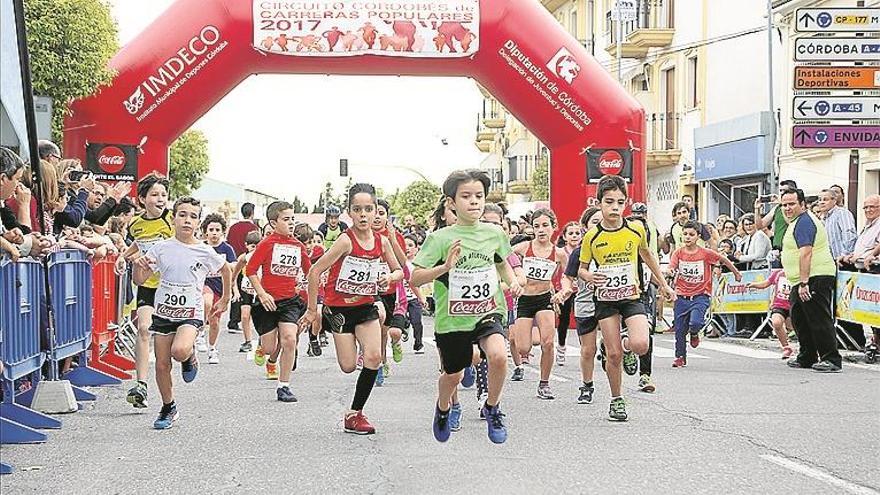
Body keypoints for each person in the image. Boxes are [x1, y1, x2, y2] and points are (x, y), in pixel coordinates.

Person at [411, 170, 522, 444]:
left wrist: (512, 281)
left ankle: (493, 407)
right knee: (454, 374)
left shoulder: (494, 233)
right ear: (451, 202)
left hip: (488, 309)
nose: (474, 202)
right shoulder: (440, 239)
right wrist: (446, 267)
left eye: (479, 196)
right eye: (466, 196)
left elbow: (501, 262)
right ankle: (443, 407)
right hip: (453, 319)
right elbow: (415, 277)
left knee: (498, 355)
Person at [301, 183, 402, 434]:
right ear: (350, 212)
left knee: (374, 357)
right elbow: (315, 271)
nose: (364, 214)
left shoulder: (382, 242)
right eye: (358, 209)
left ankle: (354, 413)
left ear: (377, 211)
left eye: (369, 209)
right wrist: (313, 310)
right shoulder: (345, 241)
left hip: (366, 306)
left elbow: (400, 270)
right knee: (347, 366)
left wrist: (389, 278)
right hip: (339, 310)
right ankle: (341, 336)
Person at [578, 175, 675, 421]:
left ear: (627, 203)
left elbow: (647, 255)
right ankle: (616, 399)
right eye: (609, 202)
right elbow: (581, 268)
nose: (614, 208)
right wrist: (590, 277)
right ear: (598, 202)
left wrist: (663, 284)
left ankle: (626, 345)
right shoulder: (592, 236)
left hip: (632, 295)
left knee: (641, 344)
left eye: (620, 202)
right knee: (612, 356)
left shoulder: (636, 228)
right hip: (606, 299)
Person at [131, 196, 231, 429]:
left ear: (198, 223)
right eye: (182, 215)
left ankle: (190, 355)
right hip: (164, 311)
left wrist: (225, 297)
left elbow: (225, 269)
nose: (187, 220)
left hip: (190, 312)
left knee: (179, 350)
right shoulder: (161, 248)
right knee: (162, 365)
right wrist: (138, 267)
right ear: (173, 218)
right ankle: (168, 407)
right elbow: (141, 280)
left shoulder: (204, 251)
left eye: (193, 217)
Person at [116, 173, 173, 409]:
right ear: (142, 199)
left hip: (172, 286)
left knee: (170, 340)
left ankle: (188, 355)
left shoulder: (172, 221)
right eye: (155, 195)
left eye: (163, 195)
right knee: (143, 328)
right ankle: (140, 384)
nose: (160, 199)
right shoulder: (137, 224)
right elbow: (138, 243)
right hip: (149, 286)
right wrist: (123, 256)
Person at [245, 201, 311, 402]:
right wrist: (262, 294)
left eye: (293, 219)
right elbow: (250, 270)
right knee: (269, 347)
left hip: (290, 301)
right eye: (286, 219)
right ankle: (264, 351)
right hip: (267, 303)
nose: (291, 223)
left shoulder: (298, 246)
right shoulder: (267, 244)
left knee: (290, 339)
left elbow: (310, 272)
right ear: (274, 223)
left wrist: (310, 289)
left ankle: (284, 386)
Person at [780, 188, 841, 373]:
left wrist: (804, 282)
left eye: (792, 204)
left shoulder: (805, 222)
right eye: (784, 205)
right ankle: (807, 355)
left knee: (818, 318)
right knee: (800, 318)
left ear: (802, 204)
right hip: (801, 278)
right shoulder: (796, 221)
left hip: (815, 276)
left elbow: (806, 252)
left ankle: (831, 358)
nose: (787, 208)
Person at [511, 208, 568, 400]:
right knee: (523, 348)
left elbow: (568, 278)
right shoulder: (522, 248)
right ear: (532, 229)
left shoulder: (559, 253)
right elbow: (504, 260)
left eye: (545, 225)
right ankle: (522, 352)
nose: (541, 230)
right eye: (537, 226)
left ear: (554, 227)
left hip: (545, 299)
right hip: (525, 300)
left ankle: (544, 383)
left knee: (548, 343)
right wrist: (513, 280)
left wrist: (563, 290)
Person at [669, 221, 742, 368]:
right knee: (680, 330)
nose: (688, 237)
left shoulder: (705, 253)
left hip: (700, 295)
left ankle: (695, 333)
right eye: (685, 234)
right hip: (681, 296)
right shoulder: (679, 252)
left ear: (698, 237)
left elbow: (723, 259)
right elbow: (672, 265)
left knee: (695, 322)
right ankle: (680, 357)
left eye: (691, 235)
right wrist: (670, 270)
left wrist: (736, 273)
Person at [560, 206, 601, 403]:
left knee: (613, 349)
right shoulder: (579, 252)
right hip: (586, 302)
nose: (599, 225)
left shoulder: (616, 246)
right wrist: (566, 289)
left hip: (611, 302)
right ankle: (587, 385)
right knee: (588, 349)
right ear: (585, 227)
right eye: (594, 222)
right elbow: (567, 277)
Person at [837, 194, 880, 351]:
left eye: (872, 207)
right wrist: (851, 256)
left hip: (875, 269)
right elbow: (863, 247)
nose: (868, 210)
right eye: (866, 207)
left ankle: (877, 342)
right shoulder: (869, 225)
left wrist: (872, 255)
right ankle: (875, 342)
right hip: (862, 269)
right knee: (868, 309)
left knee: (875, 309)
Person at [372, 199, 408, 385]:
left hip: (393, 291)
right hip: (372, 291)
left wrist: (393, 239)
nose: (377, 217)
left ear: (387, 217)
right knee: (378, 328)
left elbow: (403, 264)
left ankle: (394, 345)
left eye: (381, 213)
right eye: (374, 212)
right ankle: (379, 363)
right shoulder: (364, 236)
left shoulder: (395, 236)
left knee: (390, 332)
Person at [627, 202, 661, 392]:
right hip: (624, 293)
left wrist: (663, 285)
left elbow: (652, 260)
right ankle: (624, 348)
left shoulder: (651, 231)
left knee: (647, 331)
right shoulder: (623, 238)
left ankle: (645, 375)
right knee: (621, 334)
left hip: (644, 290)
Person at [199, 213, 237, 364]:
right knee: (206, 303)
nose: (214, 233)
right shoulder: (201, 247)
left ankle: (212, 348)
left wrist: (225, 266)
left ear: (222, 232)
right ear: (205, 232)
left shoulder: (226, 249)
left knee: (214, 322)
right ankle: (200, 331)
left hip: (219, 288)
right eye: (211, 229)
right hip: (203, 284)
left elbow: (234, 265)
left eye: (217, 230)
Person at [226, 202, 260, 333]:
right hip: (249, 263)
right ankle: (247, 318)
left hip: (235, 262)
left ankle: (233, 321)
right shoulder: (254, 228)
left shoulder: (234, 227)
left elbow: (228, 242)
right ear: (252, 213)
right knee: (248, 292)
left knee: (237, 291)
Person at [747, 269, 795, 359]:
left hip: (794, 305)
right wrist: (754, 285)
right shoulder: (778, 273)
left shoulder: (798, 272)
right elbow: (766, 283)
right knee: (776, 323)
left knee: (795, 327)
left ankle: (811, 348)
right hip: (779, 305)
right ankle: (786, 347)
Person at [554, 221, 582, 367]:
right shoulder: (560, 252)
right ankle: (561, 348)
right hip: (565, 291)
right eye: (570, 233)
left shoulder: (585, 250)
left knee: (582, 320)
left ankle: (585, 349)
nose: (574, 236)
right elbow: (553, 270)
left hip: (581, 291)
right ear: (565, 237)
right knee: (564, 320)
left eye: (577, 233)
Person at [755, 180, 799, 267]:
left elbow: (792, 223)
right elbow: (760, 226)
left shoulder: (796, 207)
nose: (782, 193)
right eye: (780, 191)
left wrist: (783, 205)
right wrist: (757, 210)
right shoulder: (777, 208)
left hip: (791, 249)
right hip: (777, 250)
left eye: (785, 191)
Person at [230, 231, 261, 353]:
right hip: (246, 290)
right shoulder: (243, 258)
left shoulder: (262, 257)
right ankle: (248, 341)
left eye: (258, 246)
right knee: (244, 315)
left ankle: (262, 339)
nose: (255, 249)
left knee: (259, 317)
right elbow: (235, 276)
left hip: (259, 290)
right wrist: (235, 291)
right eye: (252, 246)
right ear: (246, 245)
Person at [817, 188, 857, 261]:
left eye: (825, 199)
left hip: (843, 260)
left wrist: (844, 255)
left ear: (834, 201)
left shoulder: (842, 213)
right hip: (830, 261)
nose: (822, 202)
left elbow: (849, 235)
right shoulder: (824, 218)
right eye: (820, 200)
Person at [403, 234, 427, 354]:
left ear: (417, 248)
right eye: (404, 245)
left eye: (411, 245)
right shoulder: (398, 261)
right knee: (399, 320)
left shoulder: (420, 264)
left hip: (414, 298)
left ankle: (418, 344)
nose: (407, 248)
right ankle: (404, 325)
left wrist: (423, 297)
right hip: (400, 298)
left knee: (417, 321)